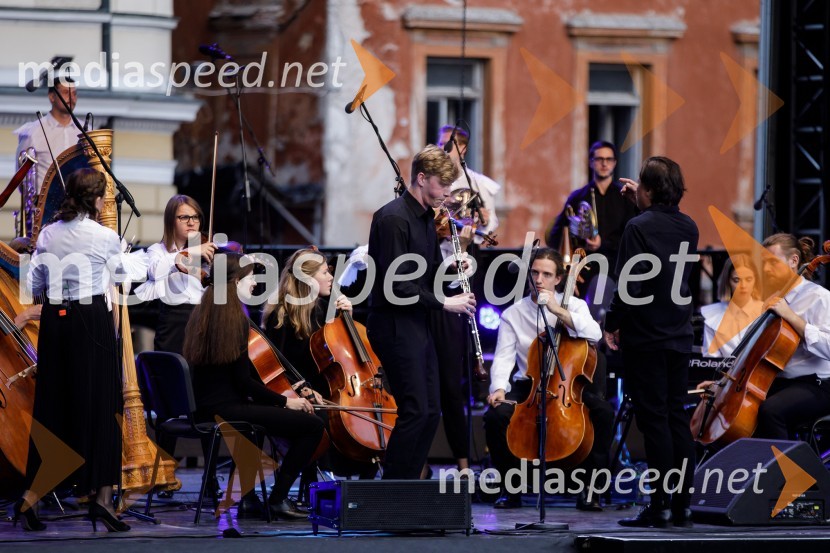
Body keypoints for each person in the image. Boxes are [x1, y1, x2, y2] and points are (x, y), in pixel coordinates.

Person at [16, 168, 144, 532]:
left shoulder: (48, 233)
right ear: (98, 200)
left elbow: (35, 282)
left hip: (56, 325)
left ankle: (31, 497)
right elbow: (121, 276)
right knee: (105, 407)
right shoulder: (104, 236)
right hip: (91, 320)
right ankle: (103, 500)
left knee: (52, 410)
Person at [183, 252, 325, 520]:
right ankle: (279, 497)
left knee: (260, 422)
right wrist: (286, 401)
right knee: (314, 426)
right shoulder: (235, 321)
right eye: (249, 278)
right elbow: (244, 382)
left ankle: (247, 499)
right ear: (235, 281)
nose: (254, 284)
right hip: (227, 409)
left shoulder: (202, 313)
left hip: (207, 406)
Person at [365, 144, 475, 480]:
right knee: (414, 410)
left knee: (430, 410)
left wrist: (455, 269)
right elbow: (396, 286)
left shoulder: (428, 218)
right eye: (443, 185)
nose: (447, 193)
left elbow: (424, 276)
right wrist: (446, 303)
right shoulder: (393, 219)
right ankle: (392, 493)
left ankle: (407, 492)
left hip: (417, 322)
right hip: (394, 324)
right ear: (422, 178)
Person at [603, 157, 699, 528]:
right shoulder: (688, 226)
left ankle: (658, 504)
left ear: (650, 189)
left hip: (646, 337)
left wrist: (613, 323)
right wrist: (640, 204)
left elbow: (631, 285)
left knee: (654, 421)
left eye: (640, 185)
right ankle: (681, 506)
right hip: (678, 334)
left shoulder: (636, 227)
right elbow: (662, 236)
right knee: (677, 417)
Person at [483, 248, 611, 510]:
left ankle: (591, 489)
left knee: (603, 413)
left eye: (546, 274)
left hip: (568, 386)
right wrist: (498, 388)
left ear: (558, 279)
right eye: (535, 273)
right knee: (495, 417)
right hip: (529, 385)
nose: (539, 279)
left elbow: (595, 334)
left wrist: (557, 310)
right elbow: (504, 358)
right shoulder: (513, 313)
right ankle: (511, 489)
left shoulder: (575, 306)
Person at [261, 247, 378, 479]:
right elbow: (276, 368)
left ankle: (363, 485)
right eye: (325, 273)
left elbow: (344, 355)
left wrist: (348, 318)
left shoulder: (326, 310)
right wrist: (302, 390)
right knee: (327, 421)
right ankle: (325, 483)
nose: (331, 278)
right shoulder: (281, 316)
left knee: (358, 418)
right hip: (293, 395)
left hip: (325, 391)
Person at [546, 141, 638, 318]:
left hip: (614, 265)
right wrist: (577, 234)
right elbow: (556, 233)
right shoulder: (578, 197)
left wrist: (603, 242)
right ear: (590, 162)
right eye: (599, 159)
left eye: (609, 159)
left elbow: (631, 234)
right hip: (583, 266)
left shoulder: (625, 197)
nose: (604, 163)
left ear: (615, 163)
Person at [751, 234, 830, 439]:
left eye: (772, 262)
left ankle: (788, 471)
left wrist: (790, 316)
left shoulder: (819, 297)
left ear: (794, 261)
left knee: (771, 411)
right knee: (746, 411)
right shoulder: (772, 299)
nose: (766, 270)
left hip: (817, 384)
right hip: (782, 382)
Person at [134, 195, 216, 354]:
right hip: (174, 324)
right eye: (184, 217)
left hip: (204, 321)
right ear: (171, 220)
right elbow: (155, 273)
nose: (192, 222)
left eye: (195, 217)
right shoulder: (157, 251)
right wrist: (189, 251)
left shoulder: (205, 248)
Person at [14, 79, 80, 192]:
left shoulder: (85, 130)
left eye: (74, 93)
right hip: (44, 205)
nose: (71, 97)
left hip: (79, 206)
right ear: (52, 97)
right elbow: (22, 179)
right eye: (65, 92)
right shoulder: (33, 131)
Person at [700, 254, 764, 358]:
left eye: (748, 279)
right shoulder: (712, 316)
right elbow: (711, 361)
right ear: (727, 282)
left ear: (755, 281)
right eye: (736, 280)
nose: (743, 286)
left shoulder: (766, 312)